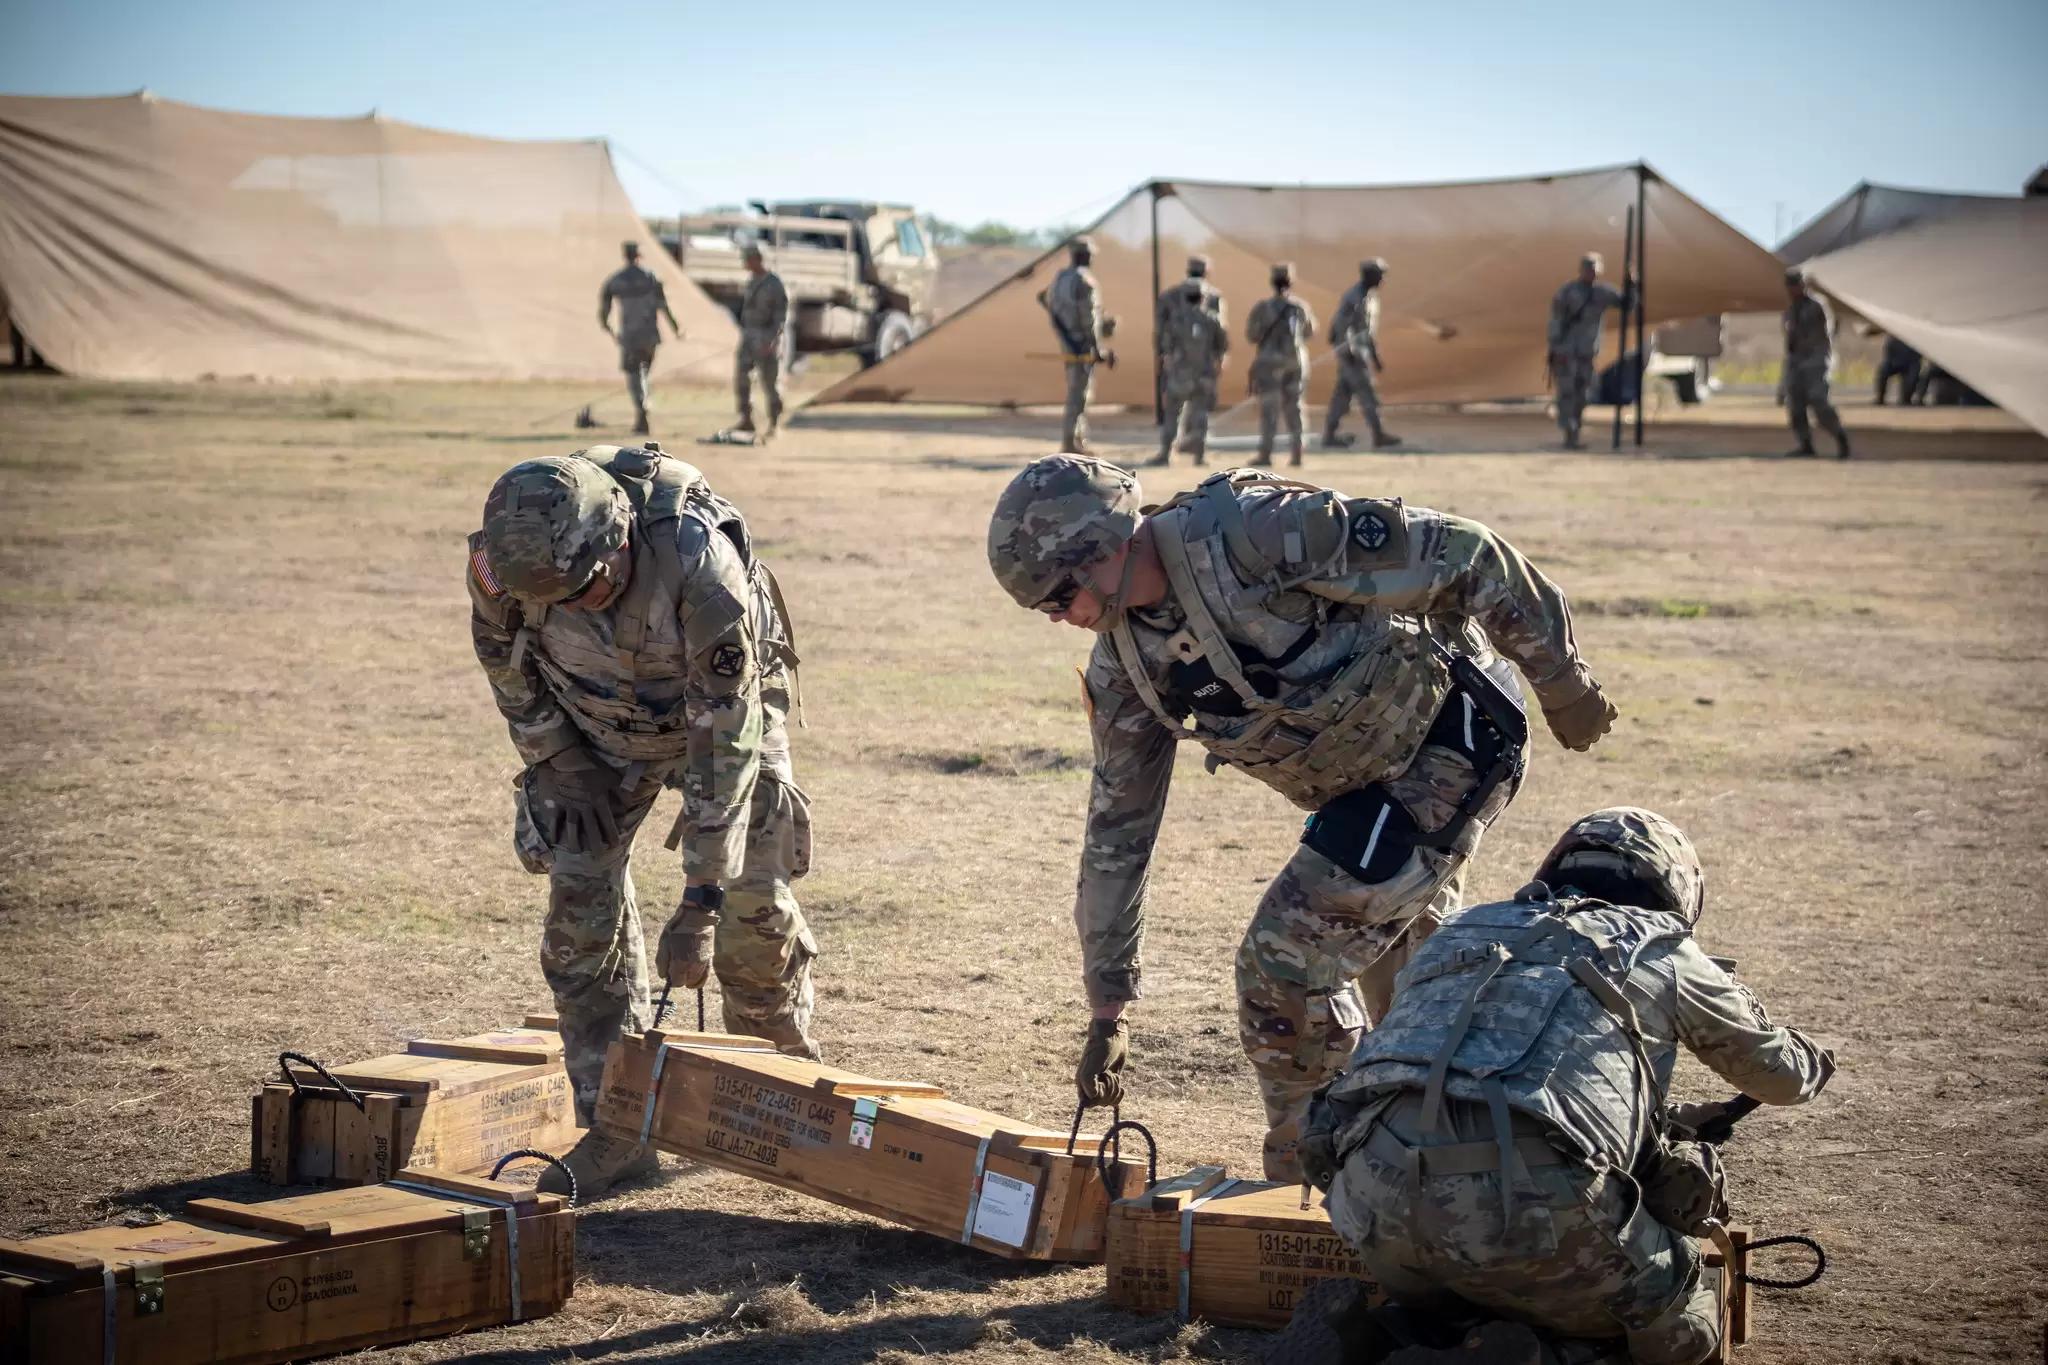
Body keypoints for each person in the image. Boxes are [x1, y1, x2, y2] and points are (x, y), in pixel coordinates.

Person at [985, 456, 1617, 1180]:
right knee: (1418, 1005)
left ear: (1106, 546)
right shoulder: (1126, 665)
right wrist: (1108, 1005)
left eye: (1060, 595)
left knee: (1284, 960)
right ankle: (1467, 1181)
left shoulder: (1258, 534)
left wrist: (1562, 677)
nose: (1060, 618)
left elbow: (1468, 553)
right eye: (1043, 609)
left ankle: (1326, 1178)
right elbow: (1116, 835)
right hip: (1361, 797)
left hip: (1454, 737)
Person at [1304, 808, 1834, 1365]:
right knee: (1688, 1327)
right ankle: (1544, 1357)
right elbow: (1781, 1077)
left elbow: (1458, 1069)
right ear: (1676, 888)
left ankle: (1396, 1333)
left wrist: (1659, 1117)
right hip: (1538, 1213)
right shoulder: (1661, 950)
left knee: (1464, 1273)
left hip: (1373, 1200)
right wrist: (1815, 1056)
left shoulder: (1464, 927)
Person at [467, 442, 821, 1196]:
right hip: (591, 728)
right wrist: (559, 758)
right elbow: (501, 657)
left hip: (720, 721)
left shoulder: (700, 567)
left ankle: (787, 1090)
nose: (576, 605)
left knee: (751, 913)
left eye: (589, 588)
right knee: (577, 925)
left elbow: (726, 739)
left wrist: (700, 897)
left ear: (619, 537)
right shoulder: (509, 561)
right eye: (558, 600)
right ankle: (618, 1126)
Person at [1150, 254, 1229, 467]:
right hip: (1203, 369)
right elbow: (1222, 337)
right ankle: (1199, 454)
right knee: (1200, 412)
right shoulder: (1213, 304)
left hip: (1179, 369)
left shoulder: (1171, 300)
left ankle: (1167, 452)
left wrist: (1162, 356)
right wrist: (1220, 359)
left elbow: (1162, 334)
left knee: (1173, 412)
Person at [1547, 253, 1631, 450]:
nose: (1590, 274)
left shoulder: (1602, 293)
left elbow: (1627, 305)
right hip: (1566, 350)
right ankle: (1570, 433)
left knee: (1584, 393)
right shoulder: (1567, 292)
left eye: (1594, 271)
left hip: (1587, 351)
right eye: (1588, 270)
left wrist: (1632, 285)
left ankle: (1575, 430)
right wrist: (1555, 347)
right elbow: (1555, 320)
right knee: (1567, 392)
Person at [599, 242, 683, 437]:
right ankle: (644, 407)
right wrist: (676, 329)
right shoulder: (650, 278)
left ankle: (642, 409)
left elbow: (604, 307)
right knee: (644, 372)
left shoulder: (617, 280)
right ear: (639, 255)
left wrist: (609, 327)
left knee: (634, 374)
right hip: (650, 335)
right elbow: (664, 306)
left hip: (630, 336)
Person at [1324, 258, 1401, 450]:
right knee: (1368, 395)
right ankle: (1378, 434)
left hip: (1361, 353)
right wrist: (1349, 349)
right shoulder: (1354, 297)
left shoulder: (1370, 298)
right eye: (1379, 275)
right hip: (1353, 355)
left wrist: (1375, 356)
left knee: (1342, 397)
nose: (1382, 280)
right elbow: (1342, 326)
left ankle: (1329, 436)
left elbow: (1369, 332)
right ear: (1369, 275)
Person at [1246, 262, 1318, 467]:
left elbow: (1252, 336)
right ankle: (1297, 455)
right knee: (1295, 407)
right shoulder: (1300, 307)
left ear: (1272, 282)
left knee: (1269, 409)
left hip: (1269, 363)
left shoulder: (1262, 308)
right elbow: (1310, 331)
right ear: (1291, 282)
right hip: (1296, 361)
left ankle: (1265, 454)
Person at [1041, 237, 1108, 454]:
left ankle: (1077, 439)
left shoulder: (1060, 278)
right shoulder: (1084, 280)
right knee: (1079, 394)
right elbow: (1089, 317)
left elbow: (1055, 309)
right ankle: (1071, 441)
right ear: (1084, 255)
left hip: (1068, 341)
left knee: (1077, 391)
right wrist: (1096, 346)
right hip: (1081, 344)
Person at [1782, 268, 1851, 459]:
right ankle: (1806, 445)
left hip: (1817, 359)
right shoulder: (1790, 309)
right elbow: (1790, 338)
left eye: (1797, 285)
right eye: (1791, 286)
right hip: (1797, 361)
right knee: (1795, 404)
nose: (1794, 290)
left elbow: (1827, 332)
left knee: (1818, 399)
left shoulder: (1817, 305)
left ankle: (1840, 437)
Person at [735, 245, 789, 440]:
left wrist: (773, 340)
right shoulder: (752, 282)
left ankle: (775, 422)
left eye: (748, 259)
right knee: (742, 379)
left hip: (767, 340)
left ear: (758, 259)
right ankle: (746, 419)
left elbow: (781, 316)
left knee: (770, 383)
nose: (745, 263)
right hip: (749, 338)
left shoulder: (774, 284)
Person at [1873, 334, 1921, 406]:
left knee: (1913, 375)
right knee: (1883, 371)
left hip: (1910, 362)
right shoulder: (1894, 332)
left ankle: (1906, 399)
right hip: (1892, 361)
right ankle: (1880, 398)